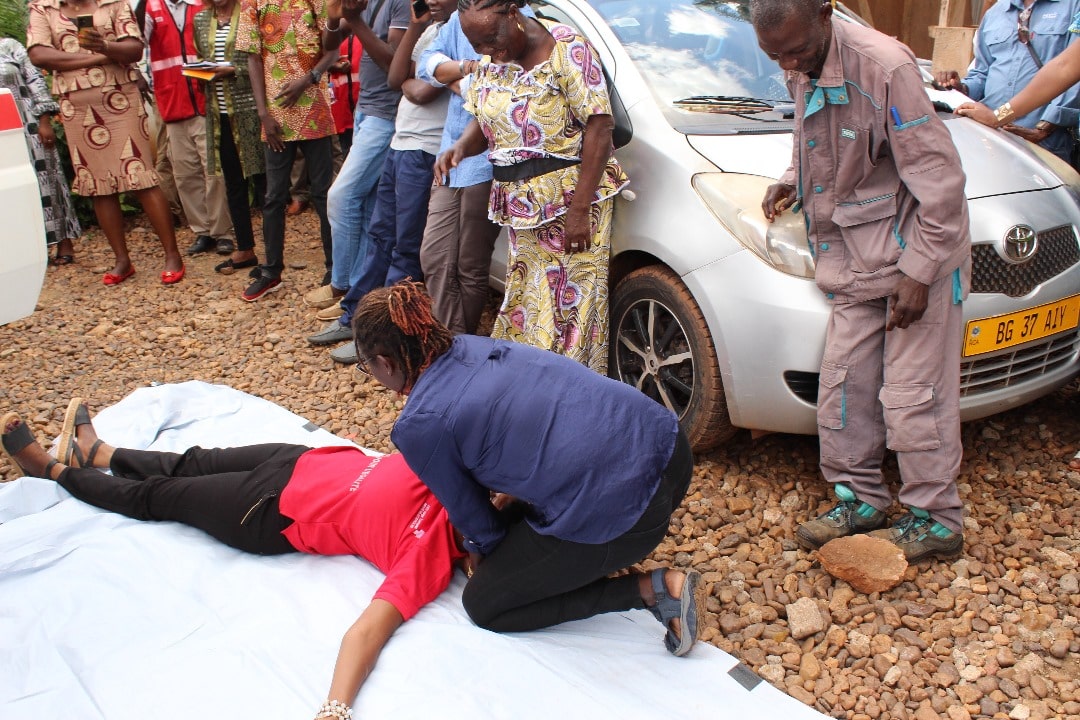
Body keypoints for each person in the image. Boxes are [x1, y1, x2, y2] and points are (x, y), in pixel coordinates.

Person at [0, 399, 464, 720]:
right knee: (194, 460)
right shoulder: (453, 473)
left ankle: (50, 469)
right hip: (301, 460)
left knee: (159, 496)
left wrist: (334, 709)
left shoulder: (430, 553)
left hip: (268, 509)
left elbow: (365, 632)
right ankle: (97, 452)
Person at [349, 281, 701, 656]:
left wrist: (486, 563)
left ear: (384, 363)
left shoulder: (419, 424)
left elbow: (479, 526)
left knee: (486, 603)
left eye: (365, 366)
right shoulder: (472, 345)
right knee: (519, 515)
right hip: (670, 448)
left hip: (631, 514)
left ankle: (655, 591)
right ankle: (598, 555)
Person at [753, 0, 971, 561]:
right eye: (775, 56)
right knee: (842, 388)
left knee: (913, 396)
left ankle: (937, 519)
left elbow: (941, 182)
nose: (789, 66)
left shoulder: (886, 67)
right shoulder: (802, 60)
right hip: (852, 261)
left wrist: (920, 274)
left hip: (913, 259)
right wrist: (793, 178)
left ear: (826, 15)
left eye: (795, 52)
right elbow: (820, 140)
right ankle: (861, 499)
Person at [432, 0, 627, 373]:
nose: (489, 52)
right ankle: (532, 390)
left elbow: (600, 127)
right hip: (521, 209)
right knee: (528, 306)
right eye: (479, 46)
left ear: (512, 13)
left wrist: (580, 210)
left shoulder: (566, 48)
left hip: (572, 204)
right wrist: (458, 148)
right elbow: (487, 123)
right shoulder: (494, 60)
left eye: (492, 40)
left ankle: (572, 397)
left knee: (570, 313)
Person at [308, 0, 450, 363]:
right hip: (402, 142)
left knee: (404, 248)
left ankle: (384, 339)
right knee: (380, 237)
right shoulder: (430, 30)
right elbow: (395, 78)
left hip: (426, 149)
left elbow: (418, 89)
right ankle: (356, 317)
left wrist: (413, 78)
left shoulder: (457, 36)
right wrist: (416, 33)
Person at [27, 0, 185, 285]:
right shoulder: (43, 7)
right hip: (76, 106)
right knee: (98, 184)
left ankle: (172, 255)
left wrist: (105, 47)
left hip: (120, 98)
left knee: (141, 176)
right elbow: (39, 54)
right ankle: (122, 260)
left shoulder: (114, 2)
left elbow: (134, 49)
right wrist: (97, 59)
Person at [304, 0, 410, 313]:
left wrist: (355, 21)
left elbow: (395, 65)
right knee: (365, 206)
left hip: (387, 115)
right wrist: (336, 19)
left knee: (341, 196)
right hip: (366, 109)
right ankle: (357, 289)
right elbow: (331, 45)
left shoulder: (401, 4)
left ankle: (342, 284)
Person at [236, 0, 342, 301]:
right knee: (273, 196)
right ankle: (271, 271)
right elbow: (253, 58)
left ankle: (335, 269)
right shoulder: (252, 2)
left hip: (316, 108)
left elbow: (331, 49)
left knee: (323, 192)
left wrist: (308, 79)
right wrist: (262, 114)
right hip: (277, 114)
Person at [413, 7, 505, 335]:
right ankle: (451, 348)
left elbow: (497, 91)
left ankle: (456, 353)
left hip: (488, 161)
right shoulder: (458, 19)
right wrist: (467, 70)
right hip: (450, 154)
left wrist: (455, 79)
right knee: (435, 258)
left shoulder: (509, 19)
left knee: (469, 266)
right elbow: (424, 63)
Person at [133, 0, 236, 257]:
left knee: (213, 168)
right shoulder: (152, 6)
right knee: (184, 170)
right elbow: (135, 43)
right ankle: (202, 230)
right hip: (170, 100)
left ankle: (222, 231)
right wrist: (134, 70)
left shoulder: (202, 4)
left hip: (204, 98)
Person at [934, 0, 1080, 163]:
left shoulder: (1073, 6)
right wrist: (962, 88)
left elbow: (1067, 70)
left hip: (1046, 143)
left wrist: (1043, 128)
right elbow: (982, 72)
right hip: (992, 137)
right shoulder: (995, 13)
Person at [192, 0, 265, 275]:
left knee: (262, 181)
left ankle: (274, 249)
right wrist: (200, 73)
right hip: (218, 112)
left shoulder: (249, 13)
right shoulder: (201, 20)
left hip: (250, 110)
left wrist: (232, 71)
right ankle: (245, 247)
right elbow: (203, 57)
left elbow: (262, 59)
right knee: (233, 181)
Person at [0, 37, 82, 266]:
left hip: (28, 126)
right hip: (1, 135)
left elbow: (35, 80)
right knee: (10, 191)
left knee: (48, 183)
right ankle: (25, 250)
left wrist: (44, 121)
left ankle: (64, 242)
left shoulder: (9, 46)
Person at [956, 16, 1080, 130]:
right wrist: (998, 117)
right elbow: (1063, 68)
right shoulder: (995, 13)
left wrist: (997, 117)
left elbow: (1063, 69)